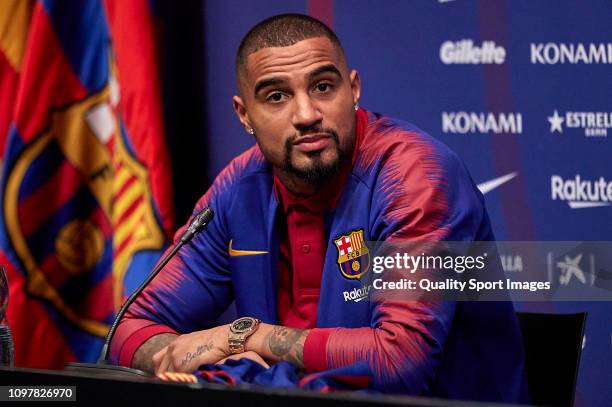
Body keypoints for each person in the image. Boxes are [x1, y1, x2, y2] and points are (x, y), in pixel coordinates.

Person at [110, 14, 528, 402]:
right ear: (244, 115)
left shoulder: (415, 176)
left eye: (323, 87)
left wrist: (248, 338)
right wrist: (177, 352)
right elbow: (126, 328)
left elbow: (400, 364)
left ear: (355, 90)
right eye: (276, 96)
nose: (307, 114)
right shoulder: (239, 187)